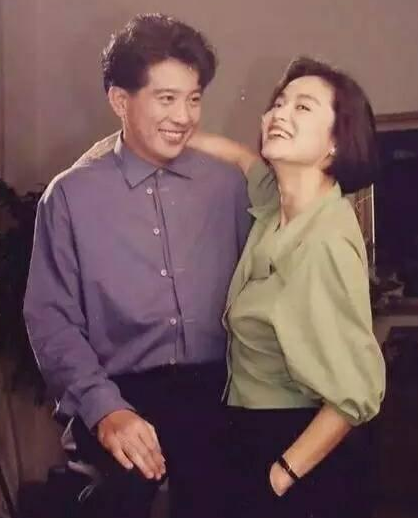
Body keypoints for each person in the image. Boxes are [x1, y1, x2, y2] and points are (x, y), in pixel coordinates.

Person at [23, 13, 250, 518]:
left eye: (194, 98)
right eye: (166, 98)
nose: (184, 116)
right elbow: (51, 319)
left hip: (221, 390)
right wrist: (105, 409)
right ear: (120, 101)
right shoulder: (70, 197)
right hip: (119, 390)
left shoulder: (228, 186)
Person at [190, 56, 386, 518]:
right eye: (279, 103)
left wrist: (278, 477)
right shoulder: (279, 203)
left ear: (335, 142)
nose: (280, 113)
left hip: (296, 450)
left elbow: (354, 395)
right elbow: (243, 159)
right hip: (250, 433)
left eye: (303, 107)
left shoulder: (323, 242)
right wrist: (165, 134)